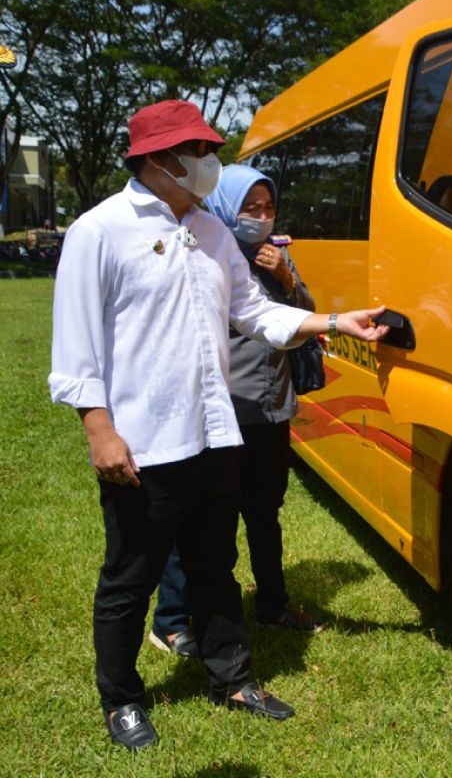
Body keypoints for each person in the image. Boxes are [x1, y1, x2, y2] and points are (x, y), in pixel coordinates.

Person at [47, 99, 390, 751]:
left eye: (208, 151)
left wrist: (334, 323)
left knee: (215, 565)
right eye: (197, 153)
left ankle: (231, 677)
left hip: (214, 437)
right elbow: (76, 346)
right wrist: (100, 430)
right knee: (131, 577)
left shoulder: (209, 231)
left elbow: (256, 313)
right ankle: (121, 698)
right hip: (145, 444)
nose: (209, 164)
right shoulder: (100, 231)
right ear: (157, 160)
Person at [151, 165, 320, 653]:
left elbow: (304, 313)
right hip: (224, 414)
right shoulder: (204, 252)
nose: (262, 219)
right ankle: (172, 620)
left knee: (265, 513)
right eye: (251, 208)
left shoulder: (278, 256)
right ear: (227, 207)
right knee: (201, 518)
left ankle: (272, 603)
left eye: (268, 208)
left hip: (271, 410)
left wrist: (285, 275)